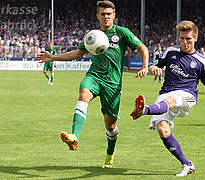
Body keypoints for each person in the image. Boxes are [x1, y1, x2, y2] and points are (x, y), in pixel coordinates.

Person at [37, 0, 149, 168]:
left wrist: (145, 67)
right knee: (84, 94)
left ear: (114, 15)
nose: (106, 16)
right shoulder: (93, 35)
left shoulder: (122, 32)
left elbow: (142, 48)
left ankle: (110, 155)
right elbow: (77, 53)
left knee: (110, 125)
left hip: (113, 84)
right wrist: (53, 57)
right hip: (94, 76)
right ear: (97, 15)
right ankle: (74, 137)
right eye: (102, 14)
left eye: (109, 14)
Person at [130, 20, 205, 177]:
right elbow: (153, 66)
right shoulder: (170, 51)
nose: (184, 42)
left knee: (170, 100)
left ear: (196, 37)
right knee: (163, 130)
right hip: (166, 93)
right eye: (182, 38)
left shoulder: (201, 61)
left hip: (187, 96)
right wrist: (154, 68)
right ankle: (187, 164)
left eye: (188, 39)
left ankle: (144, 110)